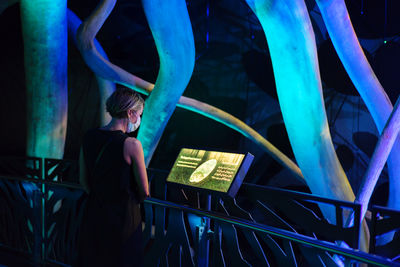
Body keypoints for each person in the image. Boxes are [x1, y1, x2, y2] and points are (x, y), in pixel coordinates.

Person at [76, 86, 149, 267]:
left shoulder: (89, 137)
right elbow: (145, 190)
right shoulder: (132, 144)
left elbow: (83, 181)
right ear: (130, 112)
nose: (139, 119)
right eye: (139, 114)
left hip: (94, 212)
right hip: (124, 218)